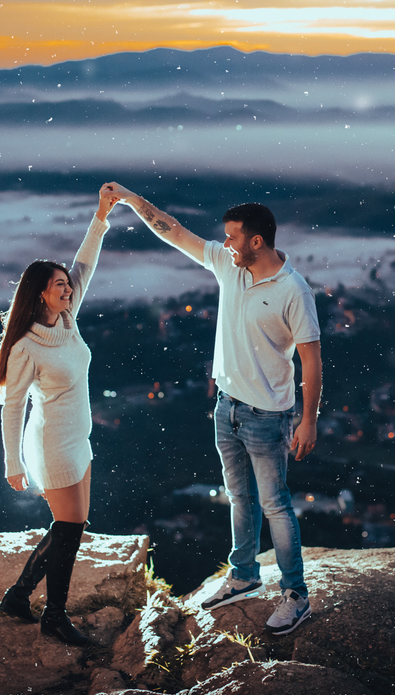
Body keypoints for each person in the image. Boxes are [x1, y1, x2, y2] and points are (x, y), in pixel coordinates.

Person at [102, 181, 321, 636]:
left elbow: (311, 360)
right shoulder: (229, 265)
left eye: (232, 236)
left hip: (268, 416)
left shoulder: (293, 290)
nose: (225, 243)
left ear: (256, 241)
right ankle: (244, 575)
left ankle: (295, 594)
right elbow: (175, 232)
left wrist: (308, 420)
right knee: (239, 498)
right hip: (227, 407)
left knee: (275, 505)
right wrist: (130, 199)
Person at [0, 188, 118, 645]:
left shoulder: (67, 320)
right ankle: (54, 616)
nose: (68, 288)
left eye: (66, 283)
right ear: (40, 294)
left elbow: (85, 265)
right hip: (52, 443)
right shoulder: (27, 346)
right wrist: (12, 462)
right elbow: (13, 406)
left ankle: (18, 596)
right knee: (70, 529)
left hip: (80, 439)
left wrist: (100, 216)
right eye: (59, 284)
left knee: (69, 527)